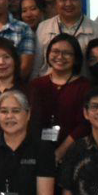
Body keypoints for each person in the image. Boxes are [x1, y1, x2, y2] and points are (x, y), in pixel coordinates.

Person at [30, 34, 91, 162]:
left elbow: (85, 125)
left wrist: (61, 151)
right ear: (47, 54)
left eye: (67, 53)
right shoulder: (36, 85)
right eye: (55, 51)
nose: (60, 57)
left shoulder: (85, 87)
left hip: (74, 153)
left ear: (76, 58)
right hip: (38, 152)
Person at [34, 0, 98, 76]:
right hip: (48, 87)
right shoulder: (43, 27)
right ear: (55, 3)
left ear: (81, 1)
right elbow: (36, 65)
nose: (68, 3)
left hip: (84, 87)